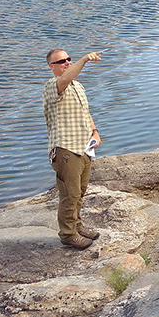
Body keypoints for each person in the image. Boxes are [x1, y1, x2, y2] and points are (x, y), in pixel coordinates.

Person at [42, 48, 103, 250]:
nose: (67, 63)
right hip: (65, 148)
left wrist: (95, 132)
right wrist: (84, 59)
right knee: (70, 193)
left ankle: (77, 226)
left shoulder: (78, 86)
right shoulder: (53, 85)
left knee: (80, 190)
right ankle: (68, 234)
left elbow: (86, 112)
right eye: (61, 61)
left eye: (69, 59)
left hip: (84, 146)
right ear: (52, 67)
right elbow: (66, 77)